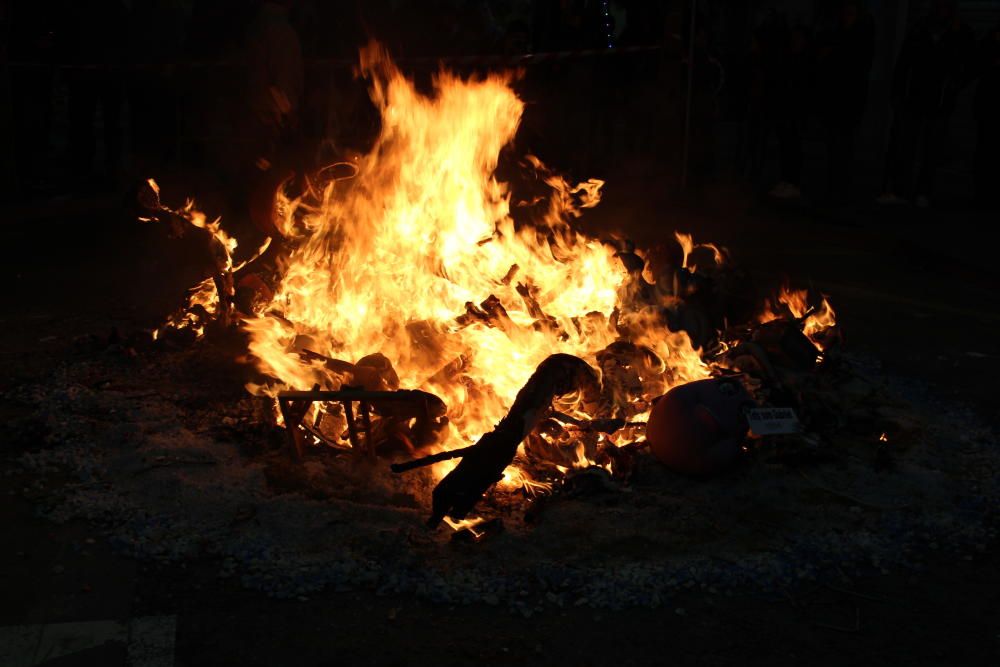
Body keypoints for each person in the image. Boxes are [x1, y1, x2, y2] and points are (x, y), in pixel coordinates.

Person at [878, 0, 976, 208]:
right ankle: (902, 189)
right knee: (907, 146)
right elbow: (905, 61)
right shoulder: (921, 28)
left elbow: (969, 63)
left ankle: (922, 191)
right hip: (915, 97)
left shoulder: (958, 33)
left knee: (930, 149)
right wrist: (899, 90)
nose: (941, 10)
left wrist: (954, 84)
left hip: (938, 101)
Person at [814, 0, 875, 206]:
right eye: (845, 10)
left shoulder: (863, 33)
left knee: (844, 144)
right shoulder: (835, 31)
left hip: (851, 98)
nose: (847, 14)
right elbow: (823, 58)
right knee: (832, 144)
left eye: (851, 10)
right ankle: (832, 187)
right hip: (833, 97)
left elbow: (861, 64)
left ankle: (841, 189)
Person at [974, 22, 1000, 209]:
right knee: (986, 150)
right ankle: (983, 195)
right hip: (989, 107)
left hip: (988, 105)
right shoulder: (992, 37)